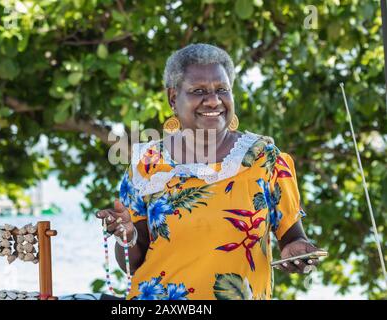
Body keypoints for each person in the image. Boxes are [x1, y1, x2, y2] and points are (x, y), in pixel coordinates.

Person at [95, 43, 321, 300]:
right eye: (198, 91)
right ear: (172, 98)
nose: (213, 100)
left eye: (222, 89)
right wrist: (127, 236)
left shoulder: (265, 159)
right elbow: (131, 265)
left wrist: (299, 252)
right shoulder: (146, 163)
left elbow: (293, 238)